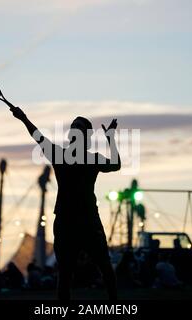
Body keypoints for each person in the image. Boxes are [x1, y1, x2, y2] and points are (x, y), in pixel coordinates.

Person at [10, 106, 120, 300]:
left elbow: (38, 137)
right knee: (85, 270)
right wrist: (110, 137)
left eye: (77, 128)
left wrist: (24, 118)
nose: (74, 130)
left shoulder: (61, 155)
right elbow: (116, 164)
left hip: (69, 220)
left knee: (75, 272)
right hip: (83, 220)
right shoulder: (90, 158)